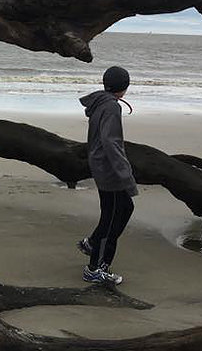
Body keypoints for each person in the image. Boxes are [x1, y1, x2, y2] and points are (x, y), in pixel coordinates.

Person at [76, 65, 137, 285]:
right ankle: (96, 268)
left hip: (101, 166)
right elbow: (111, 143)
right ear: (124, 88)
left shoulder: (102, 102)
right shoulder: (110, 107)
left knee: (125, 208)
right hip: (109, 170)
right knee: (111, 218)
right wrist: (125, 175)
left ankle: (92, 243)